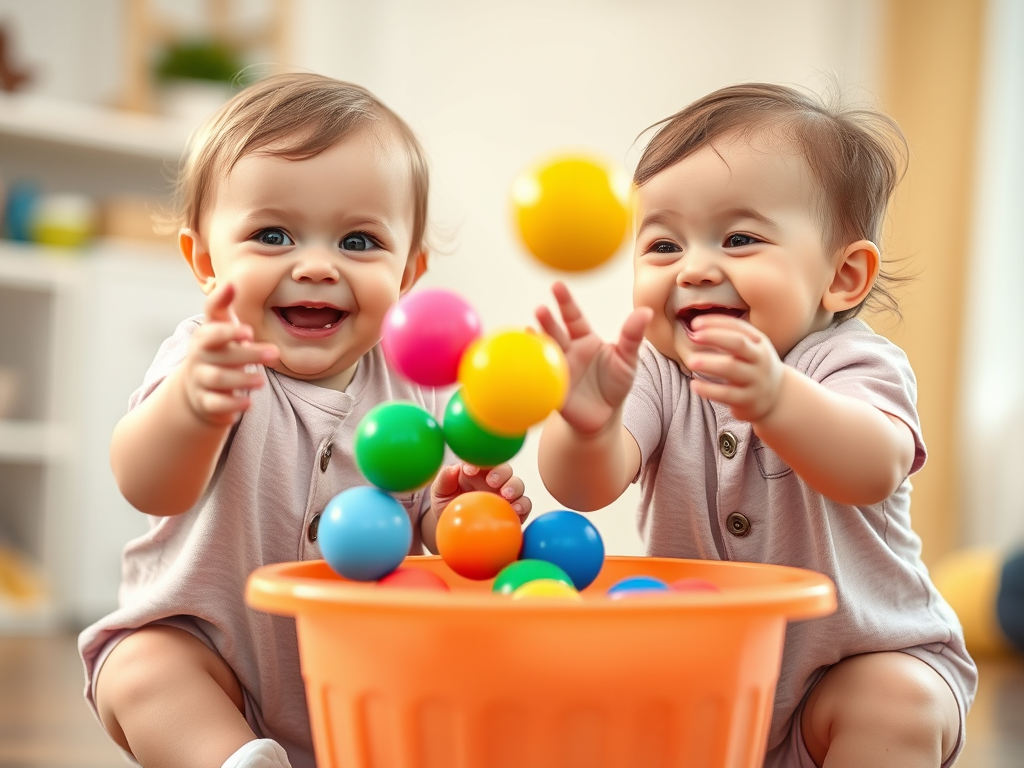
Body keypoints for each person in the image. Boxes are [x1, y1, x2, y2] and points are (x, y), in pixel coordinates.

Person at [78, 72, 531, 768]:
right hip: (208, 651)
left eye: (357, 242)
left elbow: (427, 535)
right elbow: (147, 483)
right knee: (142, 668)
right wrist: (193, 409)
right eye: (273, 234)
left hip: (357, 664)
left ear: (408, 275)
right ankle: (234, 760)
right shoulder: (211, 359)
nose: (316, 265)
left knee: (448, 671)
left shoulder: (421, 386)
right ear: (205, 260)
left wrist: (461, 511)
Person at [535, 83, 976, 768]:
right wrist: (588, 426)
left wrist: (777, 400)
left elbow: (871, 467)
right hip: (708, 684)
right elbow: (584, 490)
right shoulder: (656, 373)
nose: (696, 267)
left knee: (895, 702)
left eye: (739, 239)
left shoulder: (852, 362)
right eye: (662, 245)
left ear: (842, 277)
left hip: (858, 661)